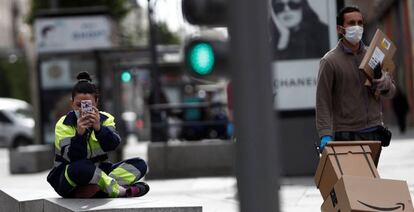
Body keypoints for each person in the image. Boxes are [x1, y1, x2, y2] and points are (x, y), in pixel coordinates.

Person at [47, 72, 149, 198]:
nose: (82, 110)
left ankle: (98, 190)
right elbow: (73, 157)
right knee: (80, 167)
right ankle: (120, 191)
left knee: (140, 164)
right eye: (79, 105)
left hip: (99, 172)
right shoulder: (63, 124)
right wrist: (80, 133)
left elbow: (113, 145)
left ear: (96, 102)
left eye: (87, 105)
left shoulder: (106, 119)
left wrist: (99, 128)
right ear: (72, 103)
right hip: (71, 177)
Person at [316, 6, 396, 152]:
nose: (357, 27)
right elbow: (323, 101)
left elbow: (391, 92)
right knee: (354, 175)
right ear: (340, 29)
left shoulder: (374, 55)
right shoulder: (329, 61)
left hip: (374, 132)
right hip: (346, 134)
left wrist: (385, 83)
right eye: (352, 23)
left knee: (369, 175)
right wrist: (325, 134)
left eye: (360, 23)